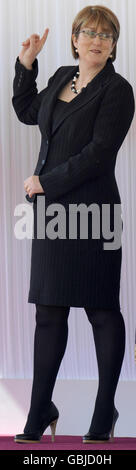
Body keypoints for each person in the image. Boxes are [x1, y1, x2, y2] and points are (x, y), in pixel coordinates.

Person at [12, 5, 135, 444]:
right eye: (89, 32)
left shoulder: (118, 91)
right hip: (52, 215)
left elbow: (99, 153)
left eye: (107, 35)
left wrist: (45, 182)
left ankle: (105, 412)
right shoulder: (62, 75)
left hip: (94, 214)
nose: (97, 40)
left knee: (101, 311)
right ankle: (40, 410)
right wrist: (27, 63)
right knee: (49, 312)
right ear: (75, 39)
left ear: (114, 45)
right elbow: (28, 111)